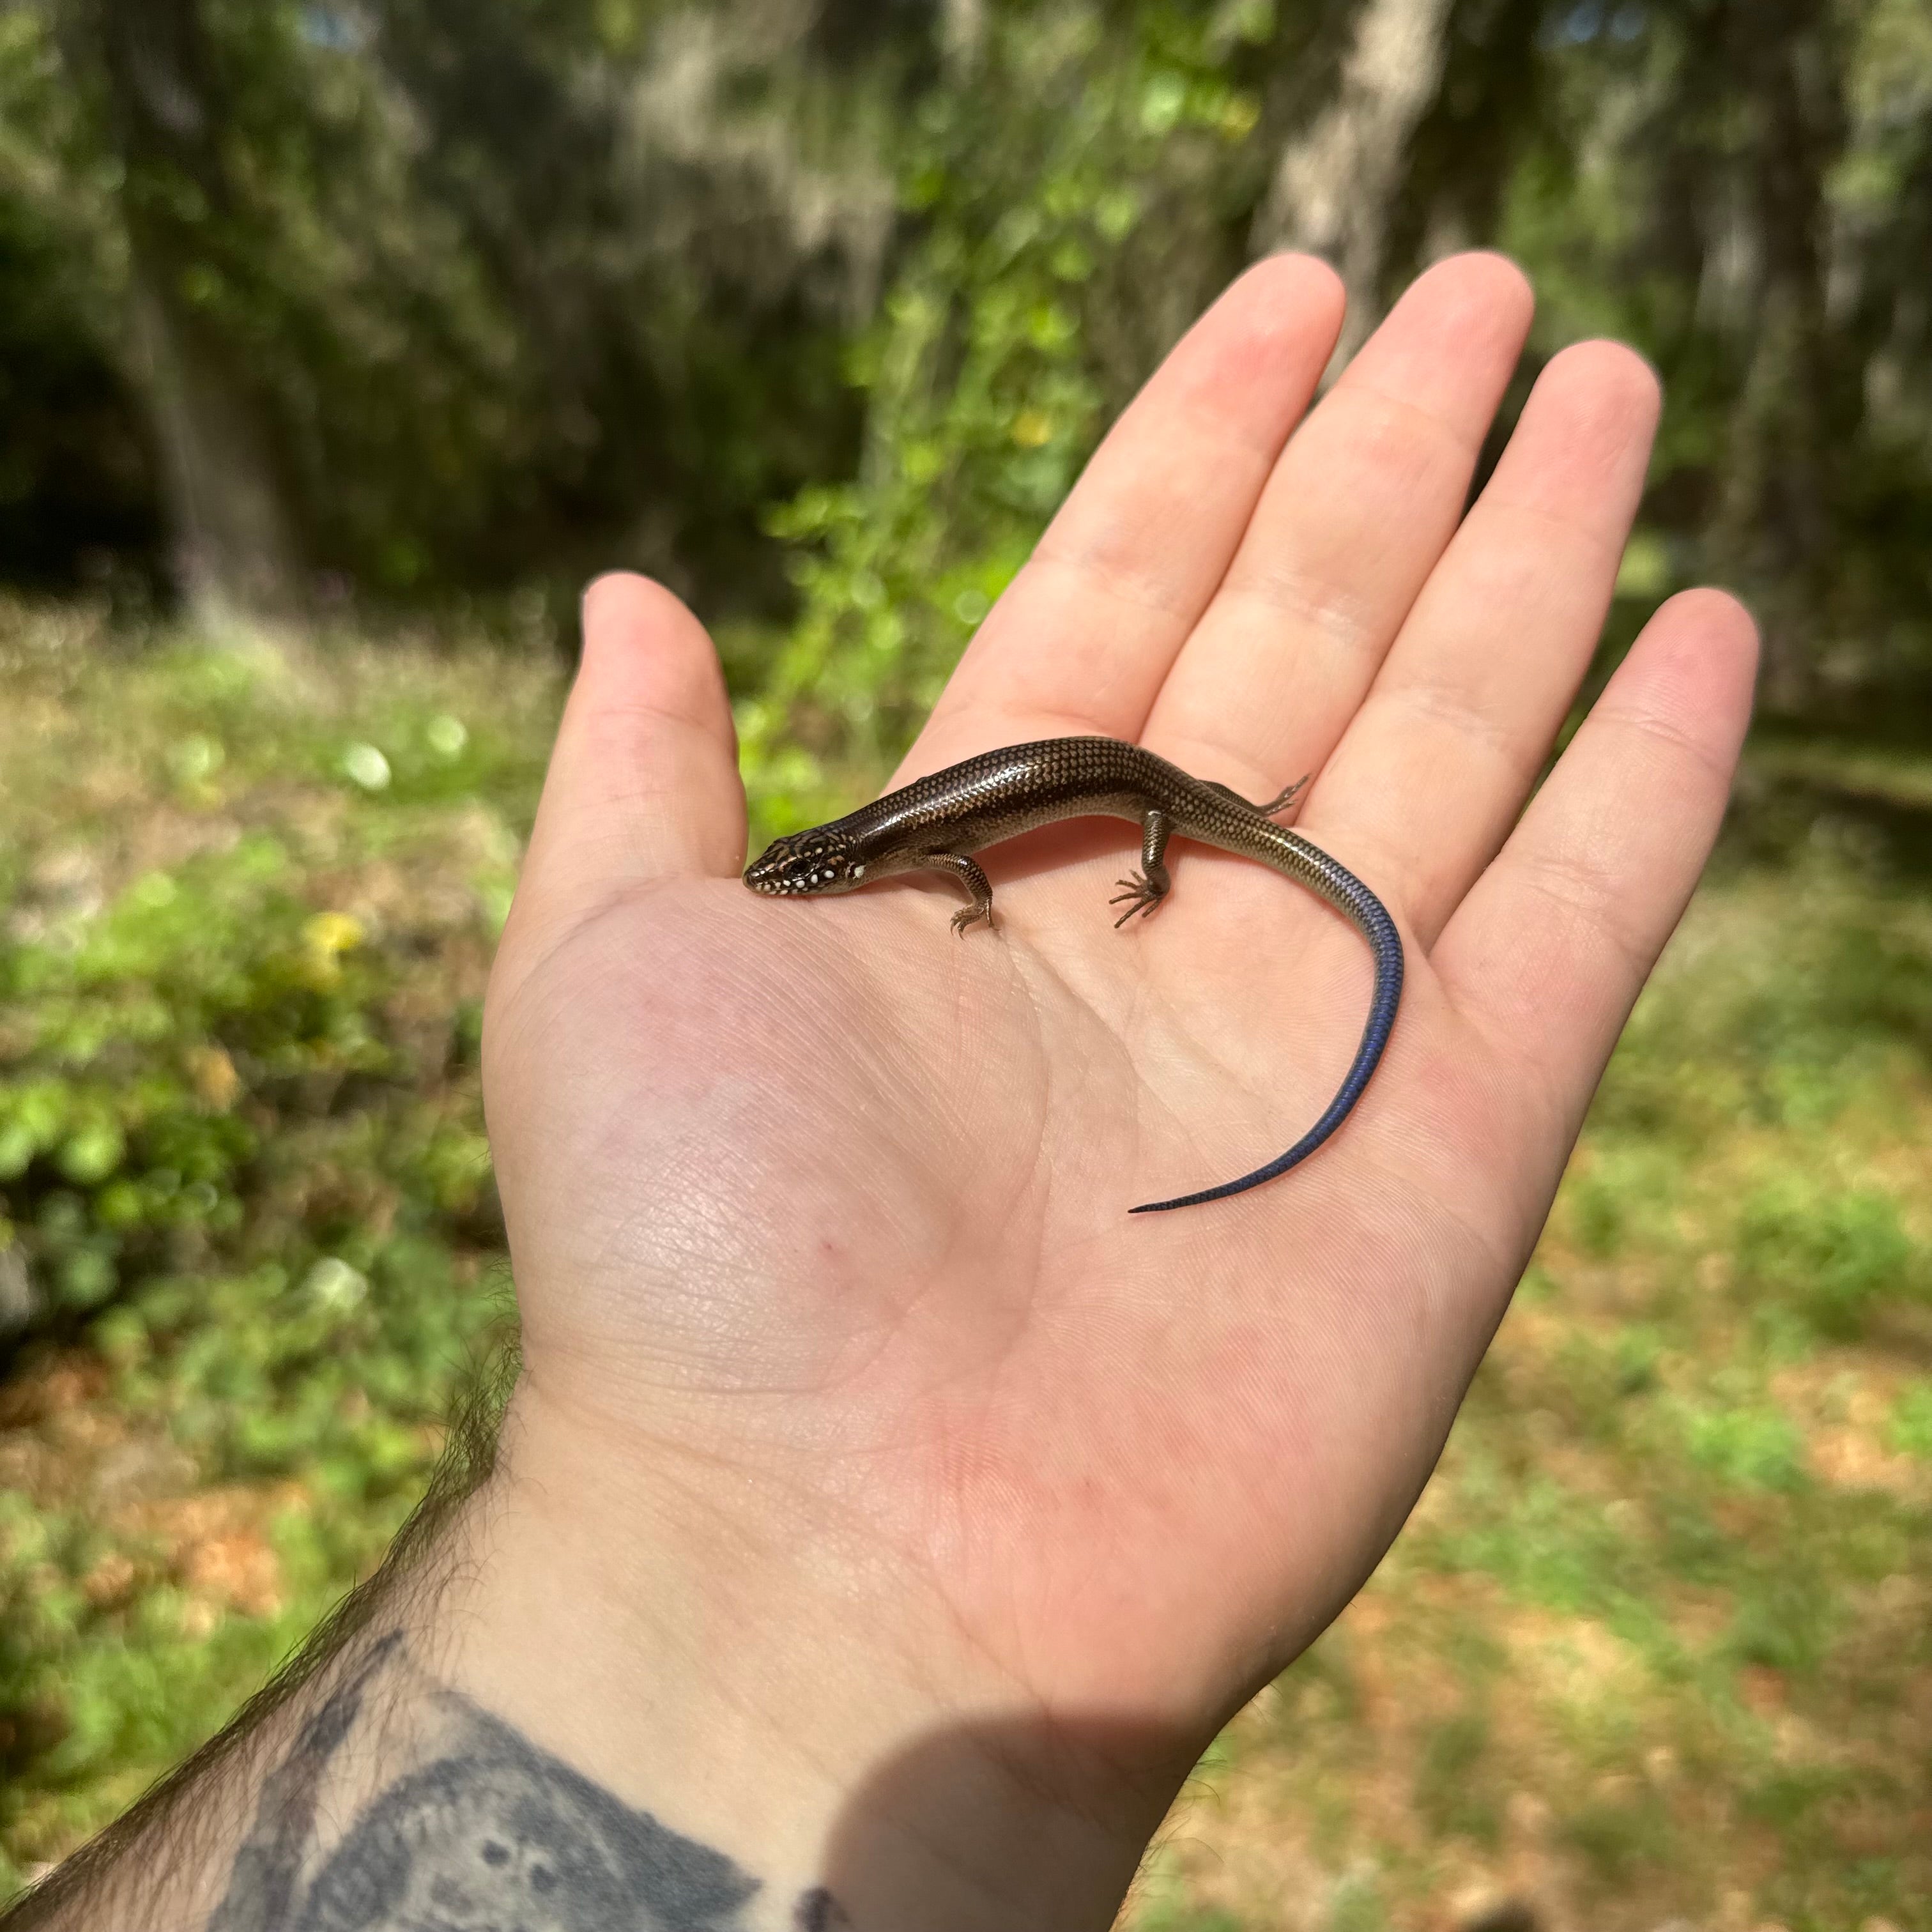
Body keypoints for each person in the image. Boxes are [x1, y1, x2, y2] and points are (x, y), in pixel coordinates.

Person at [3, 251, 1757, 1932]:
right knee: (1197, 823)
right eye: (806, 880)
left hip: (1163, 793)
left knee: (1222, 836)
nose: (798, 883)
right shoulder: (892, 854)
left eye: (803, 877)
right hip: (1149, 789)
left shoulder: (930, 857)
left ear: (843, 873)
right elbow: (970, 861)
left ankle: (1249, 846)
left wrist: (1171, 855)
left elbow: (995, 864)